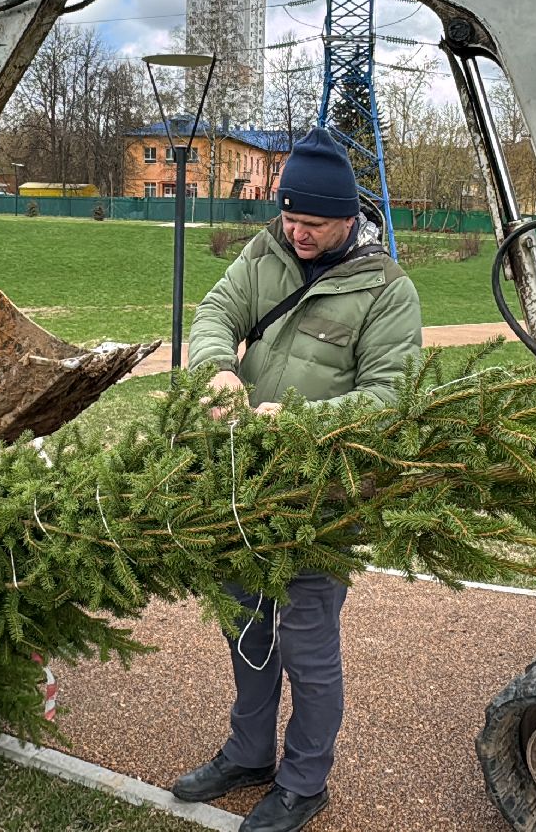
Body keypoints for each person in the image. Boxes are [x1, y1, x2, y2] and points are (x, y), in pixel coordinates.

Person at [169, 128, 423, 832]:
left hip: (324, 502)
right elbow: (217, 312)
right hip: (243, 487)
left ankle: (305, 781)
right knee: (247, 630)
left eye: (312, 224)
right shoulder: (267, 249)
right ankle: (249, 753)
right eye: (289, 218)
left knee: (307, 646)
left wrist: (304, 420)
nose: (297, 232)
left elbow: (392, 395)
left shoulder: (387, 290)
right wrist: (217, 367)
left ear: (348, 219)